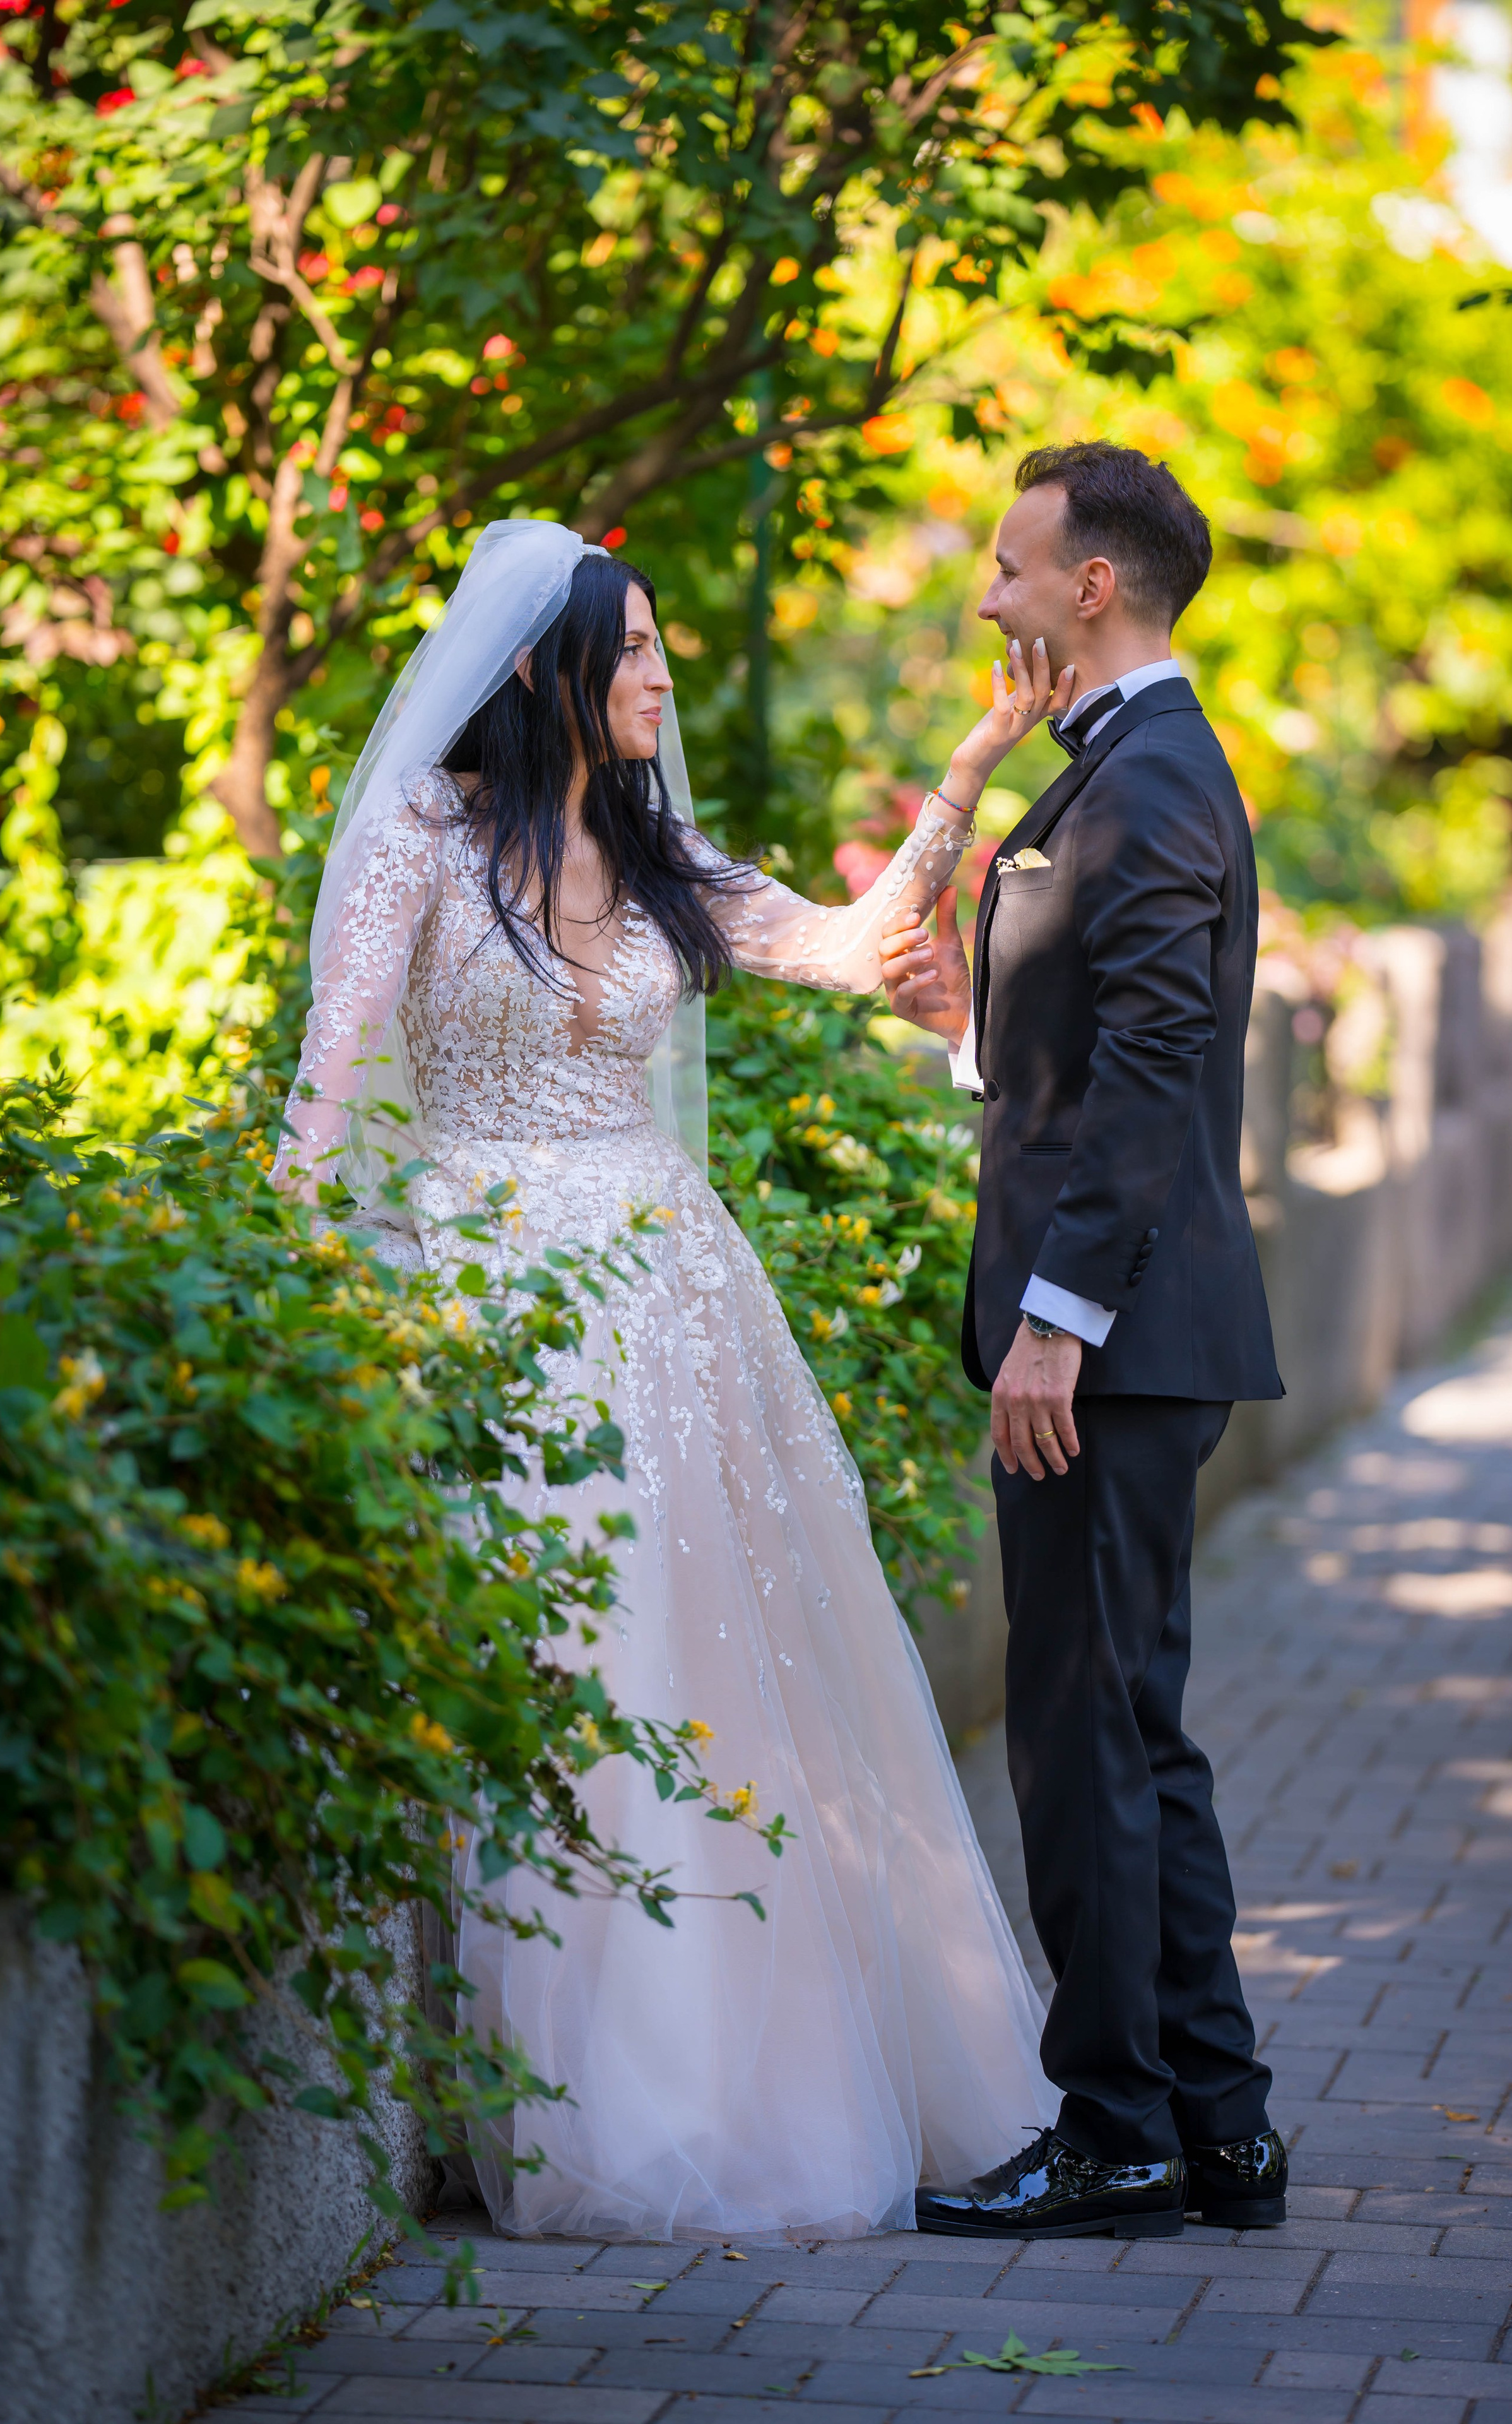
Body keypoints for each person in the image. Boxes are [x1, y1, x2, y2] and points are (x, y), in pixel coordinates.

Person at [271, 518, 1065, 2242]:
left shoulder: (661, 856)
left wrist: (967, 766)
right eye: (634, 648)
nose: (663, 675)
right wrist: (298, 1301)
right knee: (560, 1674)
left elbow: (855, 948)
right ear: (552, 671)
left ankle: (723, 2088)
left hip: (674, 1302)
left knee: (703, 1671)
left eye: (660, 645)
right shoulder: (419, 836)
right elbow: (336, 1087)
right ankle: (573, 2098)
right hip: (482, 1298)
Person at [880, 441, 1288, 2242]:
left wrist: (1054, 1326)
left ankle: (1117, 2130)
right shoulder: (1128, 772)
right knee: (1138, 1733)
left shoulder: (1152, 783)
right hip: (1127, 1330)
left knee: (1080, 1740)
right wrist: (972, 1028)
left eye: (1011, 566)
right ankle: (1216, 2125)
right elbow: (1096, 1056)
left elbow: (1148, 1078)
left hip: (1109, 1347)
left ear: (1092, 587)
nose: (992, 597)